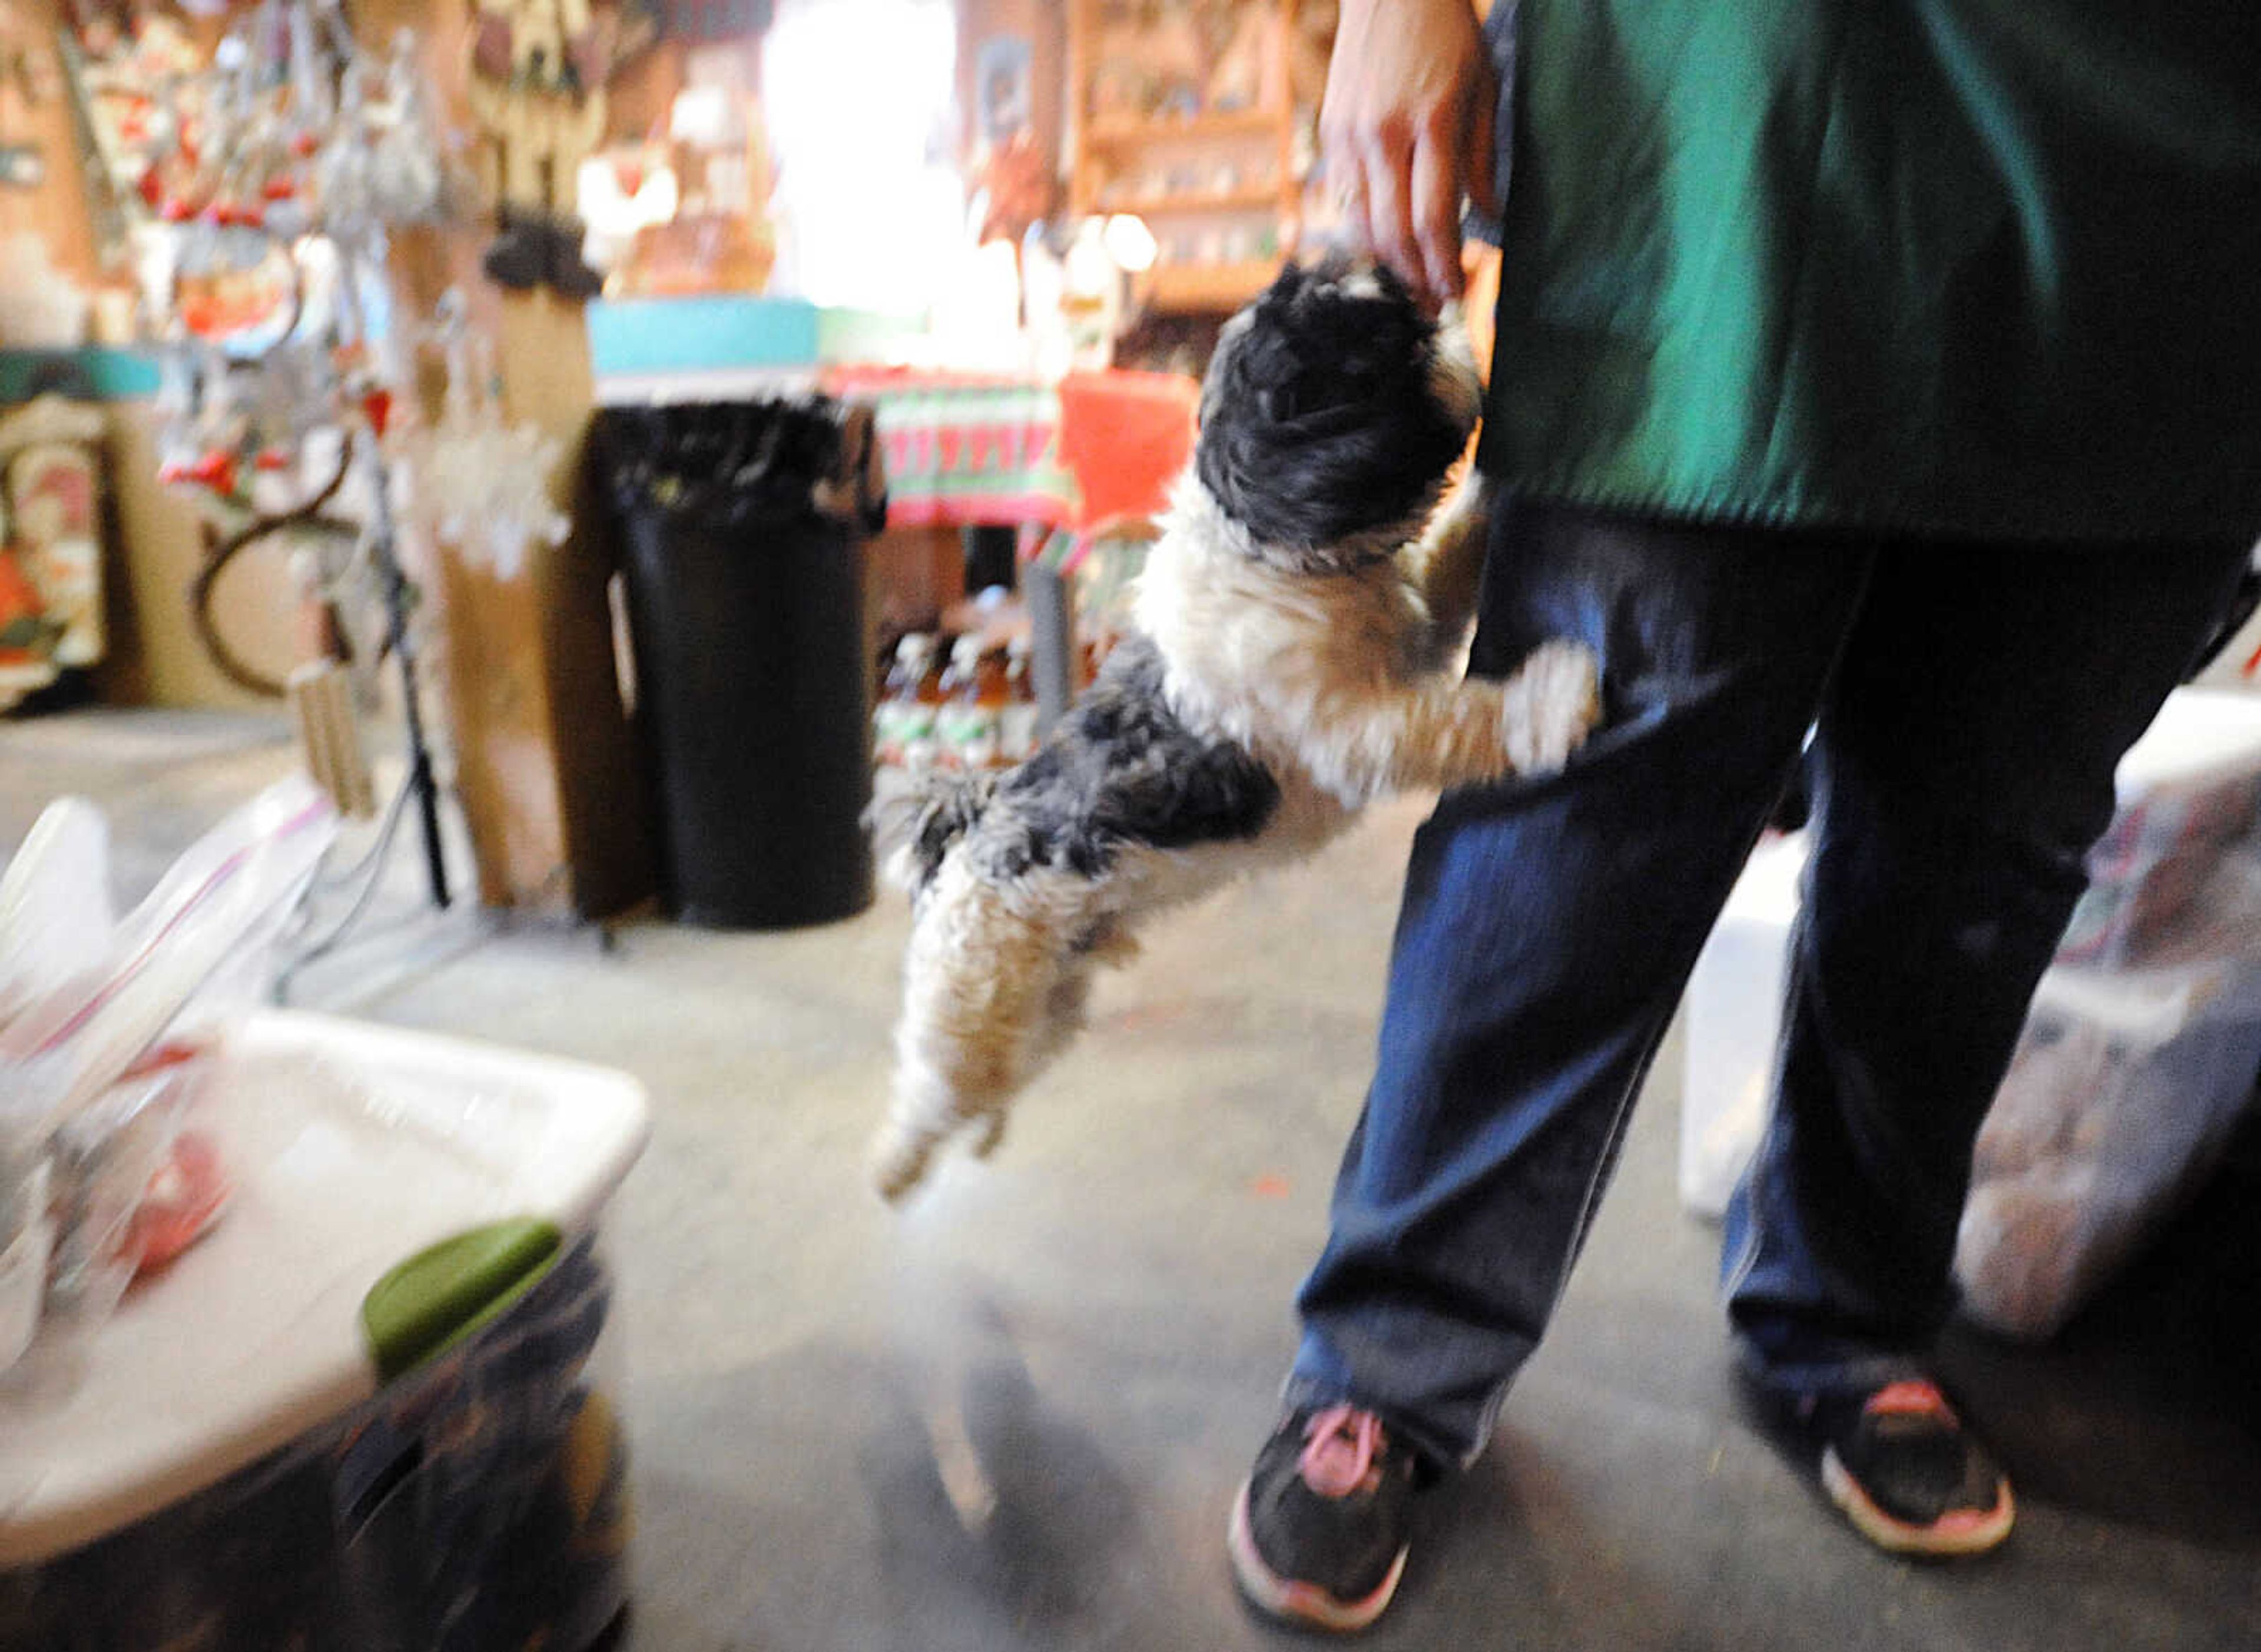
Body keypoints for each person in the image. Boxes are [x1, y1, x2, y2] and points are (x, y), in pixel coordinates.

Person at [1225, 0, 2261, 1631]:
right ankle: (1391, 1359)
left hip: (2165, 164)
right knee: (1576, 823)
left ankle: (1847, 1316)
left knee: (1981, 857)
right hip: (1742, 108)